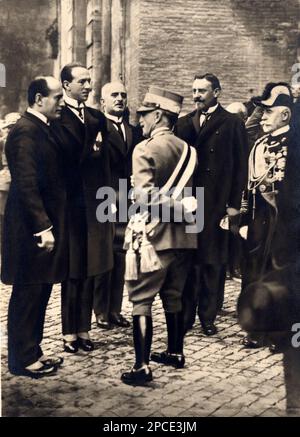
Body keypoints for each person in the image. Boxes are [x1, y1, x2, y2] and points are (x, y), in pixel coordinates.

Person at [121, 86, 198, 386]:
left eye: (143, 115)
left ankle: (141, 366)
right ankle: (175, 352)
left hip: (154, 236)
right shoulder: (189, 151)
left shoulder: (144, 148)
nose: (140, 121)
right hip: (185, 237)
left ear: (157, 115)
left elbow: (143, 196)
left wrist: (173, 206)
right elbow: (193, 199)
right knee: (174, 295)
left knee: (141, 298)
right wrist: (184, 209)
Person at [1, 76, 66, 378]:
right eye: (57, 98)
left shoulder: (41, 128)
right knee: (28, 293)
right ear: (39, 99)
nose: (61, 104)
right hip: (29, 230)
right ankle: (22, 359)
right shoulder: (25, 131)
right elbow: (27, 184)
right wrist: (43, 227)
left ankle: (32, 351)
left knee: (40, 290)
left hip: (38, 227)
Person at [175, 73, 248, 335]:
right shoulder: (183, 124)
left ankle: (208, 316)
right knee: (189, 261)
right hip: (189, 204)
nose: (196, 95)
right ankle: (184, 317)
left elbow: (241, 167)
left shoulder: (231, 123)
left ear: (216, 92)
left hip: (216, 203)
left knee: (213, 262)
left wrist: (233, 204)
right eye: (194, 90)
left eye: (202, 91)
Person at [52, 62, 113, 353]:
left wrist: (108, 204)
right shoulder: (57, 117)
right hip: (69, 205)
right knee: (72, 270)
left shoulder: (98, 118)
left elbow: (106, 167)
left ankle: (84, 330)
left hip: (93, 205)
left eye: (89, 81)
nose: (88, 86)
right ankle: (68, 333)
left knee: (89, 268)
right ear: (66, 85)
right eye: (82, 82)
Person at [239, 83, 294, 349]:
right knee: (254, 271)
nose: (263, 116)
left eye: (268, 111)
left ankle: (279, 333)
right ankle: (255, 329)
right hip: (261, 219)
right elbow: (249, 186)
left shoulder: (294, 144)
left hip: (286, 218)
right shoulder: (259, 145)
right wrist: (245, 219)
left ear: (285, 115)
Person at [93, 81, 142, 330]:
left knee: (122, 253)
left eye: (123, 95)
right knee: (104, 254)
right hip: (104, 197)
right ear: (103, 102)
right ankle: (100, 310)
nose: (120, 99)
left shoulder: (134, 130)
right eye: (114, 95)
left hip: (128, 199)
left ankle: (115, 309)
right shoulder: (96, 128)